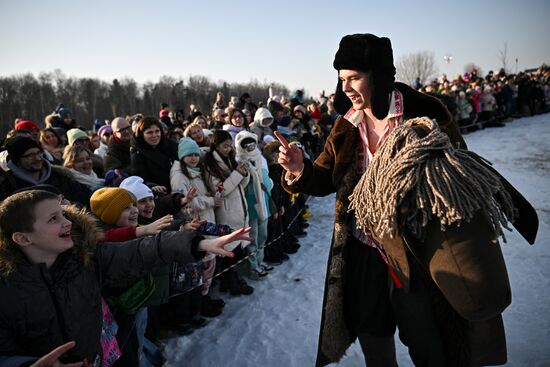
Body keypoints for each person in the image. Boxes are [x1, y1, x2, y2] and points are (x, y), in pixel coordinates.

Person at [278, 33, 538, 367]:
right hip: (364, 250)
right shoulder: (346, 125)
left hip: (418, 253)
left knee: (430, 342)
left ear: (379, 74)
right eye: (342, 79)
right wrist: (299, 169)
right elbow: (324, 179)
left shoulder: (424, 112)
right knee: (373, 333)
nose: (345, 88)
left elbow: (456, 176)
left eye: (354, 77)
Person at [0, 189, 251, 366]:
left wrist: (199, 244)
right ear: (23, 238)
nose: (67, 223)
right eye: (54, 219)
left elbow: (143, 250)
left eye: (64, 214)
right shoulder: (7, 289)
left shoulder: (86, 258)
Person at [130, 116, 178, 190]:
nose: (154, 135)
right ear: (141, 134)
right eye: (149, 132)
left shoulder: (170, 145)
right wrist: (152, 186)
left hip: (176, 187)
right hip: (157, 194)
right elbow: (140, 180)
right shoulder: (137, 155)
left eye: (157, 131)